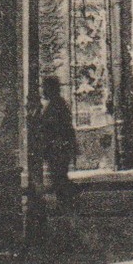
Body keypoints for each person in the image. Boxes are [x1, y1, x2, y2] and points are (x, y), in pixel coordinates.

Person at [37, 76, 77, 208]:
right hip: (56, 146)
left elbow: (59, 126)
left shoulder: (56, 105)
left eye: (45, 87)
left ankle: (67, 203)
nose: (43, 90)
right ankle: (65, 203)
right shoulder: (56, 104)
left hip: (57, 147)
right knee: (58, 176)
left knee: (59, 176)